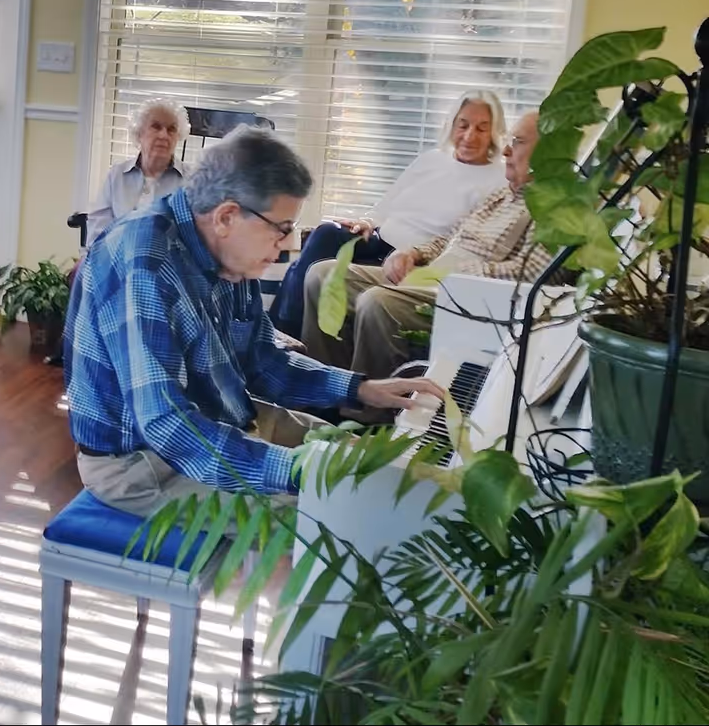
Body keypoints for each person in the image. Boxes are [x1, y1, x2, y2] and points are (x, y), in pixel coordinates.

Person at [64, 126, 443, 514]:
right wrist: (300, 472)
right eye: (282, 230)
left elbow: (265, 361)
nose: (285, 248)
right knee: (349, 514)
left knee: (378, 469)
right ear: (227, 216)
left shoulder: (228, 254)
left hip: (225, 415)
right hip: (145, 464)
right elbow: (167, 425)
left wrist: (363, 389)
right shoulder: (144, 262)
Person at [301, 110, 553, 379]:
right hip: (432, 279)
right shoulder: (504, 193)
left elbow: (533, 276)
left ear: (550, 151)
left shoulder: (555, 207)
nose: (505, 150)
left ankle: (366, 409)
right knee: (323, 275)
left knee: (379, 302)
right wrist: (414, 254)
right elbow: (451, 237)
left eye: (517, 141)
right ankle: (326, 386)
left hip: (466, 297)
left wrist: (451, 275)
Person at [268, 90, 508, 338]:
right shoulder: (432, 160)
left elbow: (466, 241)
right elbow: (388, 205)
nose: (469, 136)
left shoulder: (498, 179)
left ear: (494, 132)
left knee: (316, 270)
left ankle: (283, 334)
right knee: (327, 233)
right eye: (463, 125)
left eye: (481, 128)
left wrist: (418, 257)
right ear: (452, 125)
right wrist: (367, 222)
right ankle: (276, 332)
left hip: (413, 259)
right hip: (379, 240)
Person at [82, 98, 189, 247]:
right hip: (117, 263)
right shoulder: (117, 175)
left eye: (171, 129)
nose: (164, 135)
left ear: (179, 137)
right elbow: (97, 232)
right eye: (156, 127)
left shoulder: (192, 181)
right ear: (139, 133)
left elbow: (196, 239)